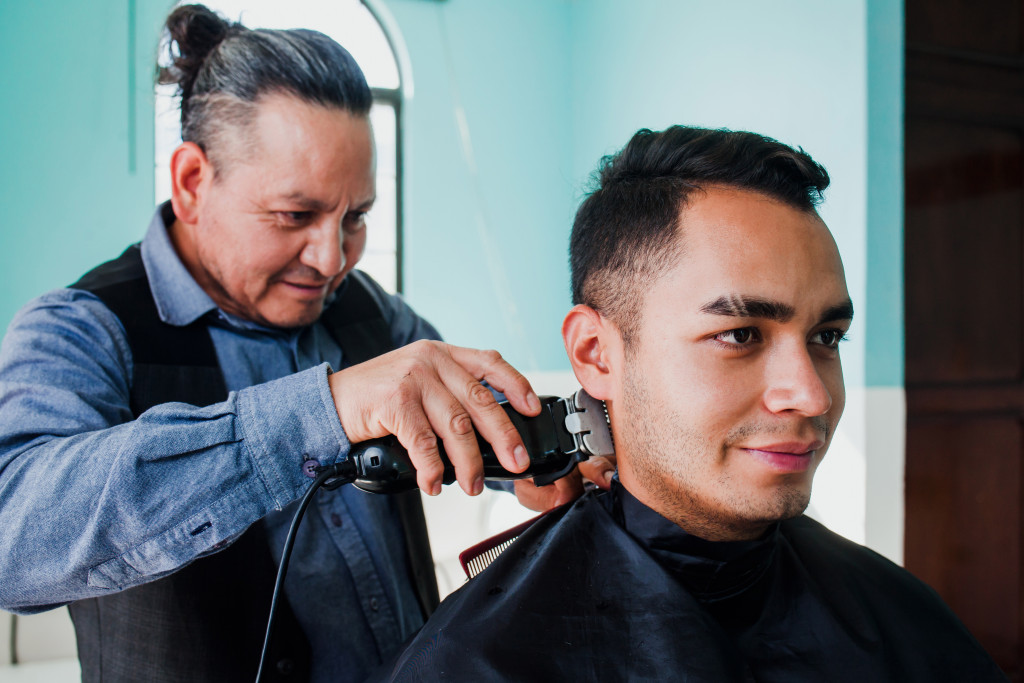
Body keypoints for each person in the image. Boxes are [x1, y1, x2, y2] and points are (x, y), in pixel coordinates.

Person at [0, 5, 610, 682]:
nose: (332, 259)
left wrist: (535, 460)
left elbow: (470, 425)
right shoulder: (81, 328)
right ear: (192, 182)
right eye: (295, 215)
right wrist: (325, 409)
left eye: (356, 218)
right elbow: (11, 538)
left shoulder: (369, 313)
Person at [377, 126, 1007, 681]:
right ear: (597, 353)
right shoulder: (478, 662)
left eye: (826, 338)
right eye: (739, 335)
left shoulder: (902, 620)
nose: (812, 394)